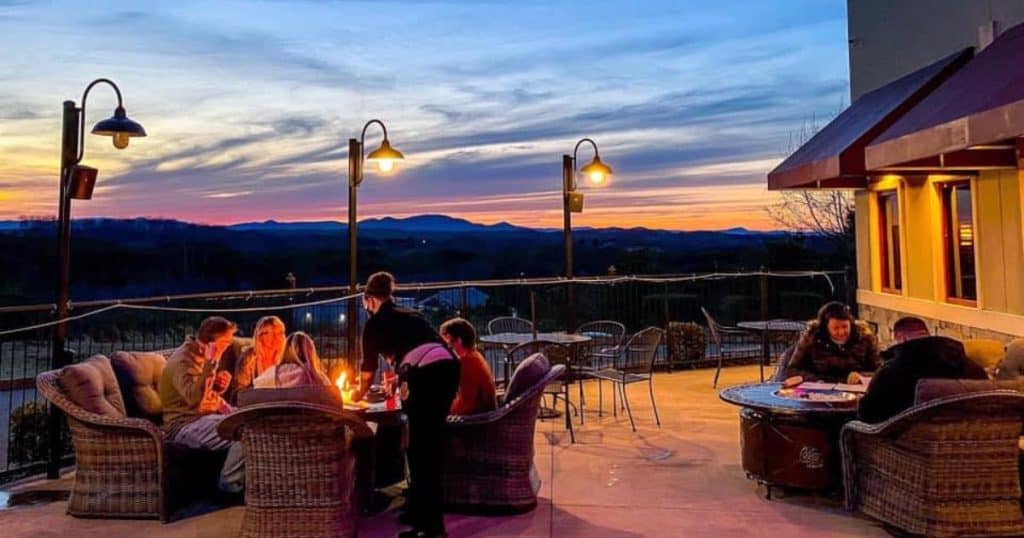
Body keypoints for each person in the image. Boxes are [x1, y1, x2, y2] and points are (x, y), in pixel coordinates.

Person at [353, 272, 459, 538]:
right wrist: (400, 377)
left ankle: (432, 529)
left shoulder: (375, 323)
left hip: (426, 375)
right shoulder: (409, 314)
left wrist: (354, 396)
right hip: (447, 367)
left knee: (423, 451)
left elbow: (367, 370)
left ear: (369, 300)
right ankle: (418, 511)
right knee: (419, 446)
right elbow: (418, 349)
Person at [158, 316, 245, 493]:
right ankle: (229, 485)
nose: (228, 346)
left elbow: (203, 396)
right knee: (247, 433)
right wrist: (211, 364)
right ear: (210, 342)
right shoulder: (183, 361)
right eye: (225, 342)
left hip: (204, 417)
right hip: (185, 426)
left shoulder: (201, 354)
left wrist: (219, 387)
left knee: (254, 421)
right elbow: (194, 400)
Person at [857, 317, 987, 423]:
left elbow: (867, 414)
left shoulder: (892, 372)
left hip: (911, 446)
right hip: (968, 443)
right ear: (927, 334)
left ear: (900, 338)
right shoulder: (973, 368)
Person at [783, 302, 880, 386]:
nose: (841, 332)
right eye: (836, 328)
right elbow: (792, 369)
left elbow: (880, 370)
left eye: (845, 327)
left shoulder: (865, 338)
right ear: (826, 327)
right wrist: (814, 380)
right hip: (819, 389)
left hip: (854, 389)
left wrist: (862, 376)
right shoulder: (812, 338)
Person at [440, 317, 497, 415]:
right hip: (484, 415)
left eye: (449, 344)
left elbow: (466, 405)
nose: (449, 349)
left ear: (459, 340)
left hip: (476, 422)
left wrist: (443, 411)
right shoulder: (475, 355)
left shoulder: (467, 362)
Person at [227, 315, 287, 402]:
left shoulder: (284, 357)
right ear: (260, 335)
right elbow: (239, 392)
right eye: (270, 333)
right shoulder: (249, 359)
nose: (276, 337)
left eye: (279, 333)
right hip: (254, 403)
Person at [253, 331, 332, 388]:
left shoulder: (270, 375)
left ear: (285, 350)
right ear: (311, 352)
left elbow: (255, 391)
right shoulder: (319, 379)